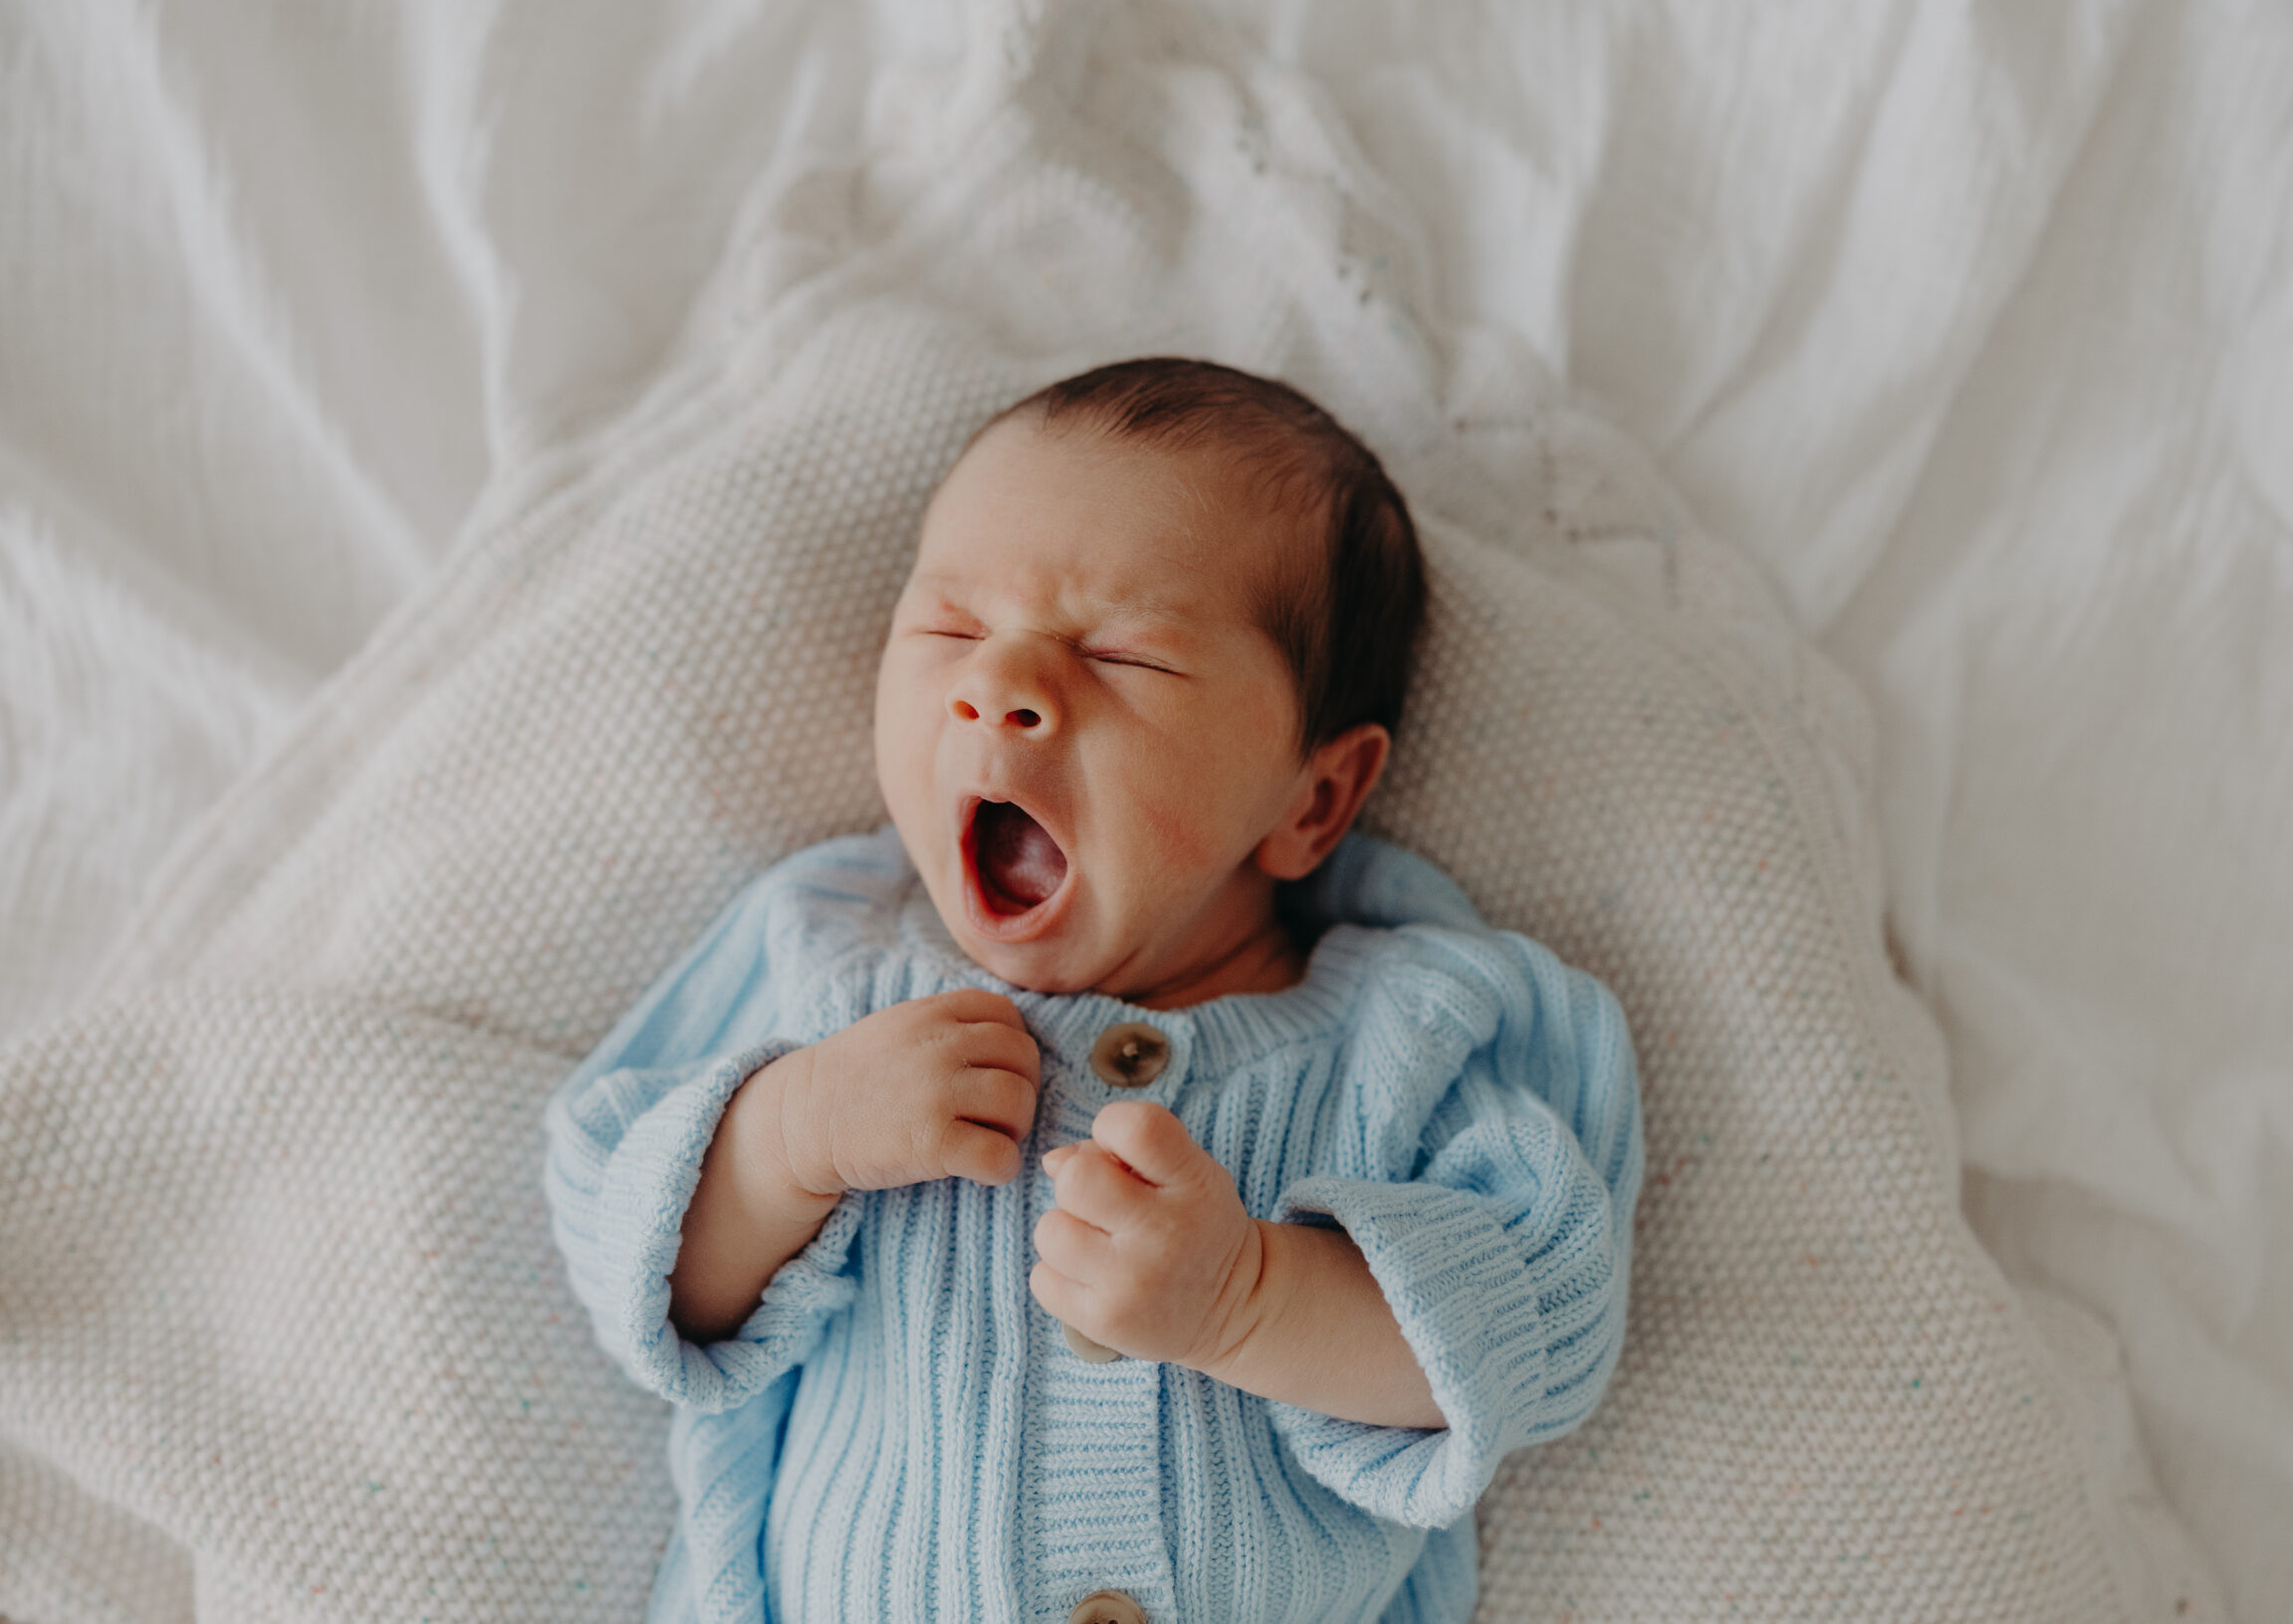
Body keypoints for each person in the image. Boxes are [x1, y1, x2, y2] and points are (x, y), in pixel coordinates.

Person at [545, 358, 1642, 1624]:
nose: (996, 686)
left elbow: (1530, 1331)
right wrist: (789, 1136)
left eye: (1123, 656)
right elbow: (623, 1229)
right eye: (951, 628)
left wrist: (1249, 1299)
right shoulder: (830, 957)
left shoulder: (1404, 1028)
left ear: (1314, 798)